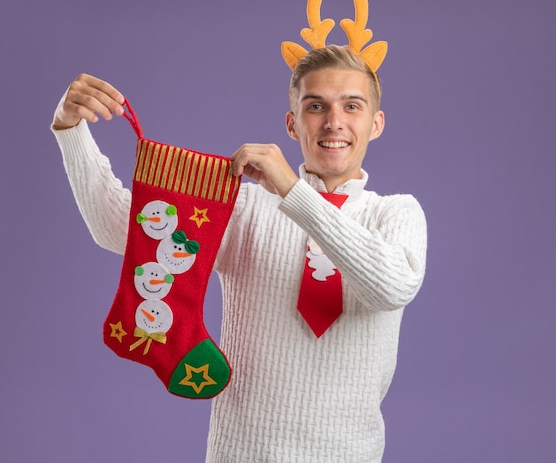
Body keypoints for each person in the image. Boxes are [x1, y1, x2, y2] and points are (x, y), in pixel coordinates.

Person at [51, 44, 427, 462]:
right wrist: (71, 131)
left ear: (376, 123)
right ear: (292, 123)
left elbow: (391, 288)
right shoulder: (247, 206)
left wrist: (293, 191)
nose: (334, 121)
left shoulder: (396, 212)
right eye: (316, 105)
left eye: (352, 106)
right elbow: (119, 229)